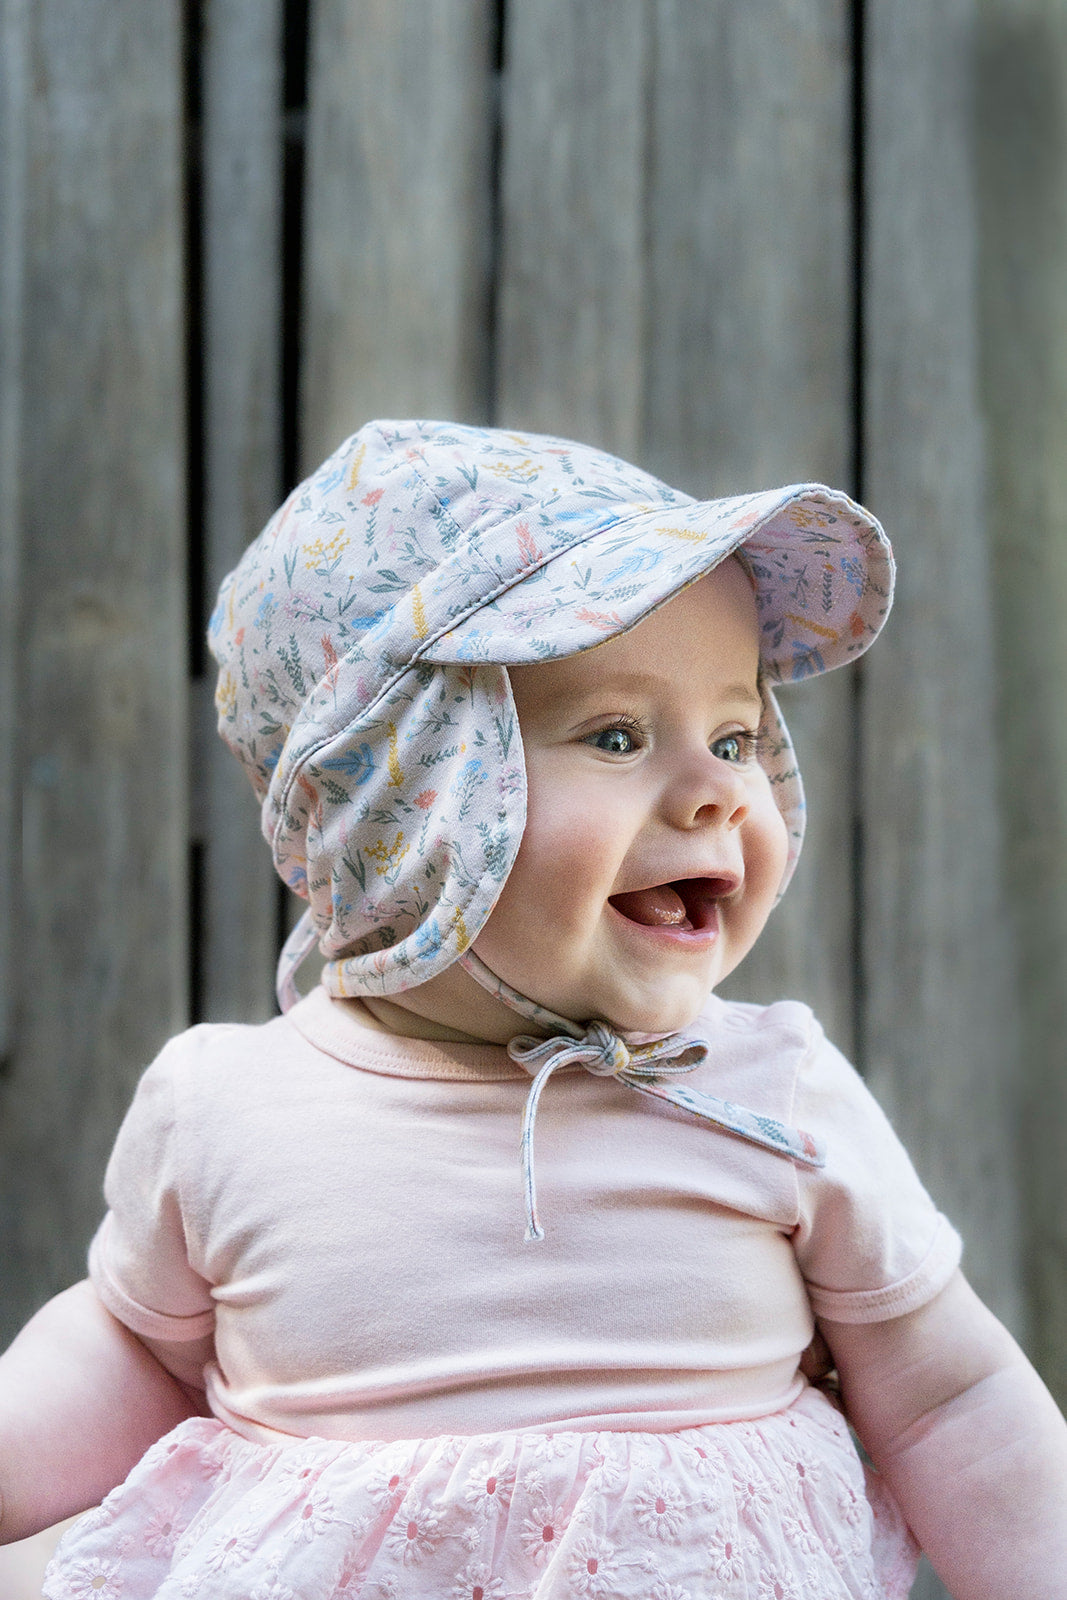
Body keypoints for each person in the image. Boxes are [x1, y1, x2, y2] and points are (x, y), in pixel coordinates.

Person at [1, 419, 1064, 1599]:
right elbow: (134, 1350)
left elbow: (948, 1401)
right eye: (615, 733)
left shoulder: (770, 1094)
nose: (719, 793)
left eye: (735, 734)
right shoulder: (227, 1108)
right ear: (398, 807)